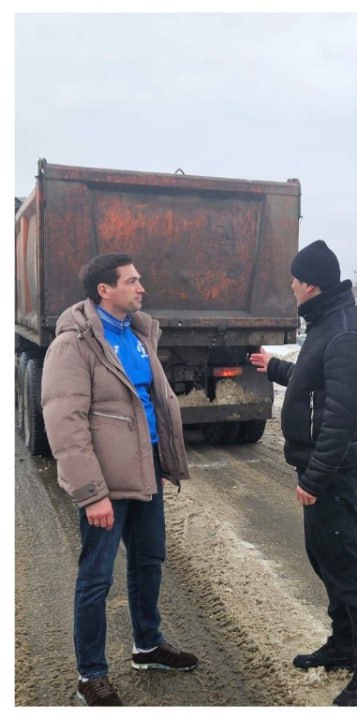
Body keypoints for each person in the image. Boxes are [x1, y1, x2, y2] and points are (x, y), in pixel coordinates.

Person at [41, 253, 195, 706]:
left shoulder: (139, 334)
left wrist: (161, 464)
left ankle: (147, 646)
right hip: (105, 483)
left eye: (139, 280)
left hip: (145, 470)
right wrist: (92, 494)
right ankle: (90, 675)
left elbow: (151, 405)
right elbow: (65, 425)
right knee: (96, 578)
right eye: (131, 281)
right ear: (104, 290)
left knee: (149, 561)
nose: (141, 287)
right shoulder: (75, 344)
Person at [249, 240, 357, 705]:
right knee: (324, 557)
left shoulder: (344, 332)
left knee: (345, 565)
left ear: (310, 284)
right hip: (320, 466)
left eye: (294, 279)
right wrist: (277, 367)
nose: (290, 287)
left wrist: (315, 478)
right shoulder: (328, 324)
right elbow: (317, 382)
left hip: (334, 470)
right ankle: (343, 644)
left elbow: (342, 418)